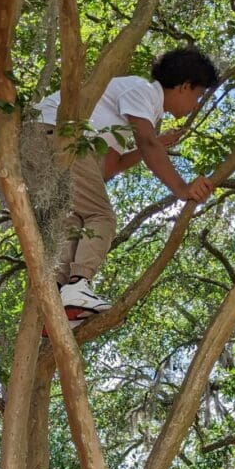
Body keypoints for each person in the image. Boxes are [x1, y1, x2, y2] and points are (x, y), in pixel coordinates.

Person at [33, 47, 221, 318]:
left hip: (45, 144)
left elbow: (110, 167)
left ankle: (58, 299)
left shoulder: (134, 111)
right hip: (56, 135)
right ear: (184, 86)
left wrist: (157, 142)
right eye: (198, 95)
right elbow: (146, 143)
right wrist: (182, 188)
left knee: (76, 220)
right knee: (101, 216)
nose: (196, 104)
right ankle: (77, 287)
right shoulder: (142, 90)